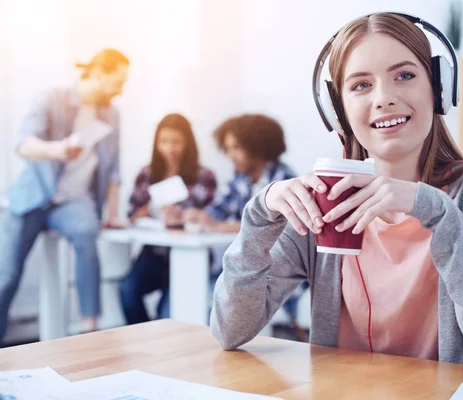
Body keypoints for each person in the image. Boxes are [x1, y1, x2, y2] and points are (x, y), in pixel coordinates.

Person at [210, 13, 463, 377]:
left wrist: (437, 213)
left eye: (405, 76)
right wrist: (259, 216)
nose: (384, 98)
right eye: (361, 85)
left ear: (437, 88)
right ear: (339, 111)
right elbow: (229, 331)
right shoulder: (325, 200)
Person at [0, 48, 129, 341]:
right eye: (117, 82)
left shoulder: (112, 114)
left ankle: (90, 333)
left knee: (87, 235)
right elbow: (24, 144)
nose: (120, 91)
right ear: (98, 73)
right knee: (6, 276)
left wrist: (112, 213)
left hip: (73, 201)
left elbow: (113, 168)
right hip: (34, 196)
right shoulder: (51, 98)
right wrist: (57, 150)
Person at [186, 114, 307, 333]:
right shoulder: (239, 178)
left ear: (257, 147)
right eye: (228, 148)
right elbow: (216, 212)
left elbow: (283, 229)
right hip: (242, 266)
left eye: (236, 148)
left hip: (275, 271)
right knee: (197, 299)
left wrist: (226, 226)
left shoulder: (284, 179)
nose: (231, 155)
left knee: (212, 314)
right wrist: (195, 215)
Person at [119, 113, 216, 324]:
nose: (170, 148)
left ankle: (159, 345)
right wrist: (143, 212)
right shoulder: (146, 174)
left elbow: (212, 216)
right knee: (127, 288)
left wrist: (184, 216)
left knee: (168, 312)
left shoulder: (204, 176)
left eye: (176, 142)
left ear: (187, 143)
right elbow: (131, 214)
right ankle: (143, 339)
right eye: (163, 141)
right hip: (154, 255)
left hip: (188, 254)